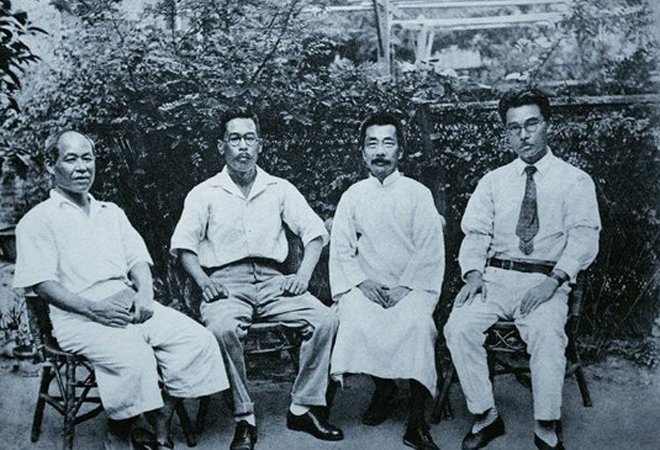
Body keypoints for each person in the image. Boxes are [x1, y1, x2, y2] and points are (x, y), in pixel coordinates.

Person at [13, 131, 228, 450]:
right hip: (79, 317)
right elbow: (42, 284)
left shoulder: (110, 212)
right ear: (50, 165)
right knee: (135, 357)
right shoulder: (37, 221)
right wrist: (93, 309)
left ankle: (160, 417)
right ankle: (119, 430)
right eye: (71, 159)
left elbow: (138, 259)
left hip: (128, 304)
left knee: (197, 340)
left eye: (87, 158)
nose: (82, 167)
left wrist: (145, 295)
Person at [170, 107, 343, 450]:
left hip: (273, 280)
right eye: (234, 139)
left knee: (325, 320)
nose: (243, 146)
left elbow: (314, 234)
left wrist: (302, 275)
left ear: (260, 145)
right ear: (221, 146)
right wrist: (204, 282)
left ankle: (303, 407)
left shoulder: (279, 188)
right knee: (221, 329)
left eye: (249, 138)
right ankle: (244, 416)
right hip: (226, 282)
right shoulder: (204, 193)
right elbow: (184, 247)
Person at [444, 88, 601, 450]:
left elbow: (584, 238)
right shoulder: (493, 181)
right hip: (495, 279)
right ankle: (486, 415)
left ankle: (545, 424)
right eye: (514, 128)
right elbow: (475, 234)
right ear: (506, 133)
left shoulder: (574, 180)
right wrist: (473, 274)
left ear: (547, 125)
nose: (523, 135)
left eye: (531, 124)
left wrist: (555, 281)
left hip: (546, 280)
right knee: (459, 326)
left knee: (546, 330)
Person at [329, 112, 445, 450]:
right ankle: (384, 389)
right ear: (363, 153)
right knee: (355, 320)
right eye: (372, 144)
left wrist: (406, 287)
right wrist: (360, 283)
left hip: (411, 287)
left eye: (388, 143)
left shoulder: (418, 194)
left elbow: (429, 249)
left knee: (417, 325)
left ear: (400, 151)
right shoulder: (353, 195)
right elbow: (341, 247)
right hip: (366, 285)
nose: (380, 151)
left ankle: (417, 422)